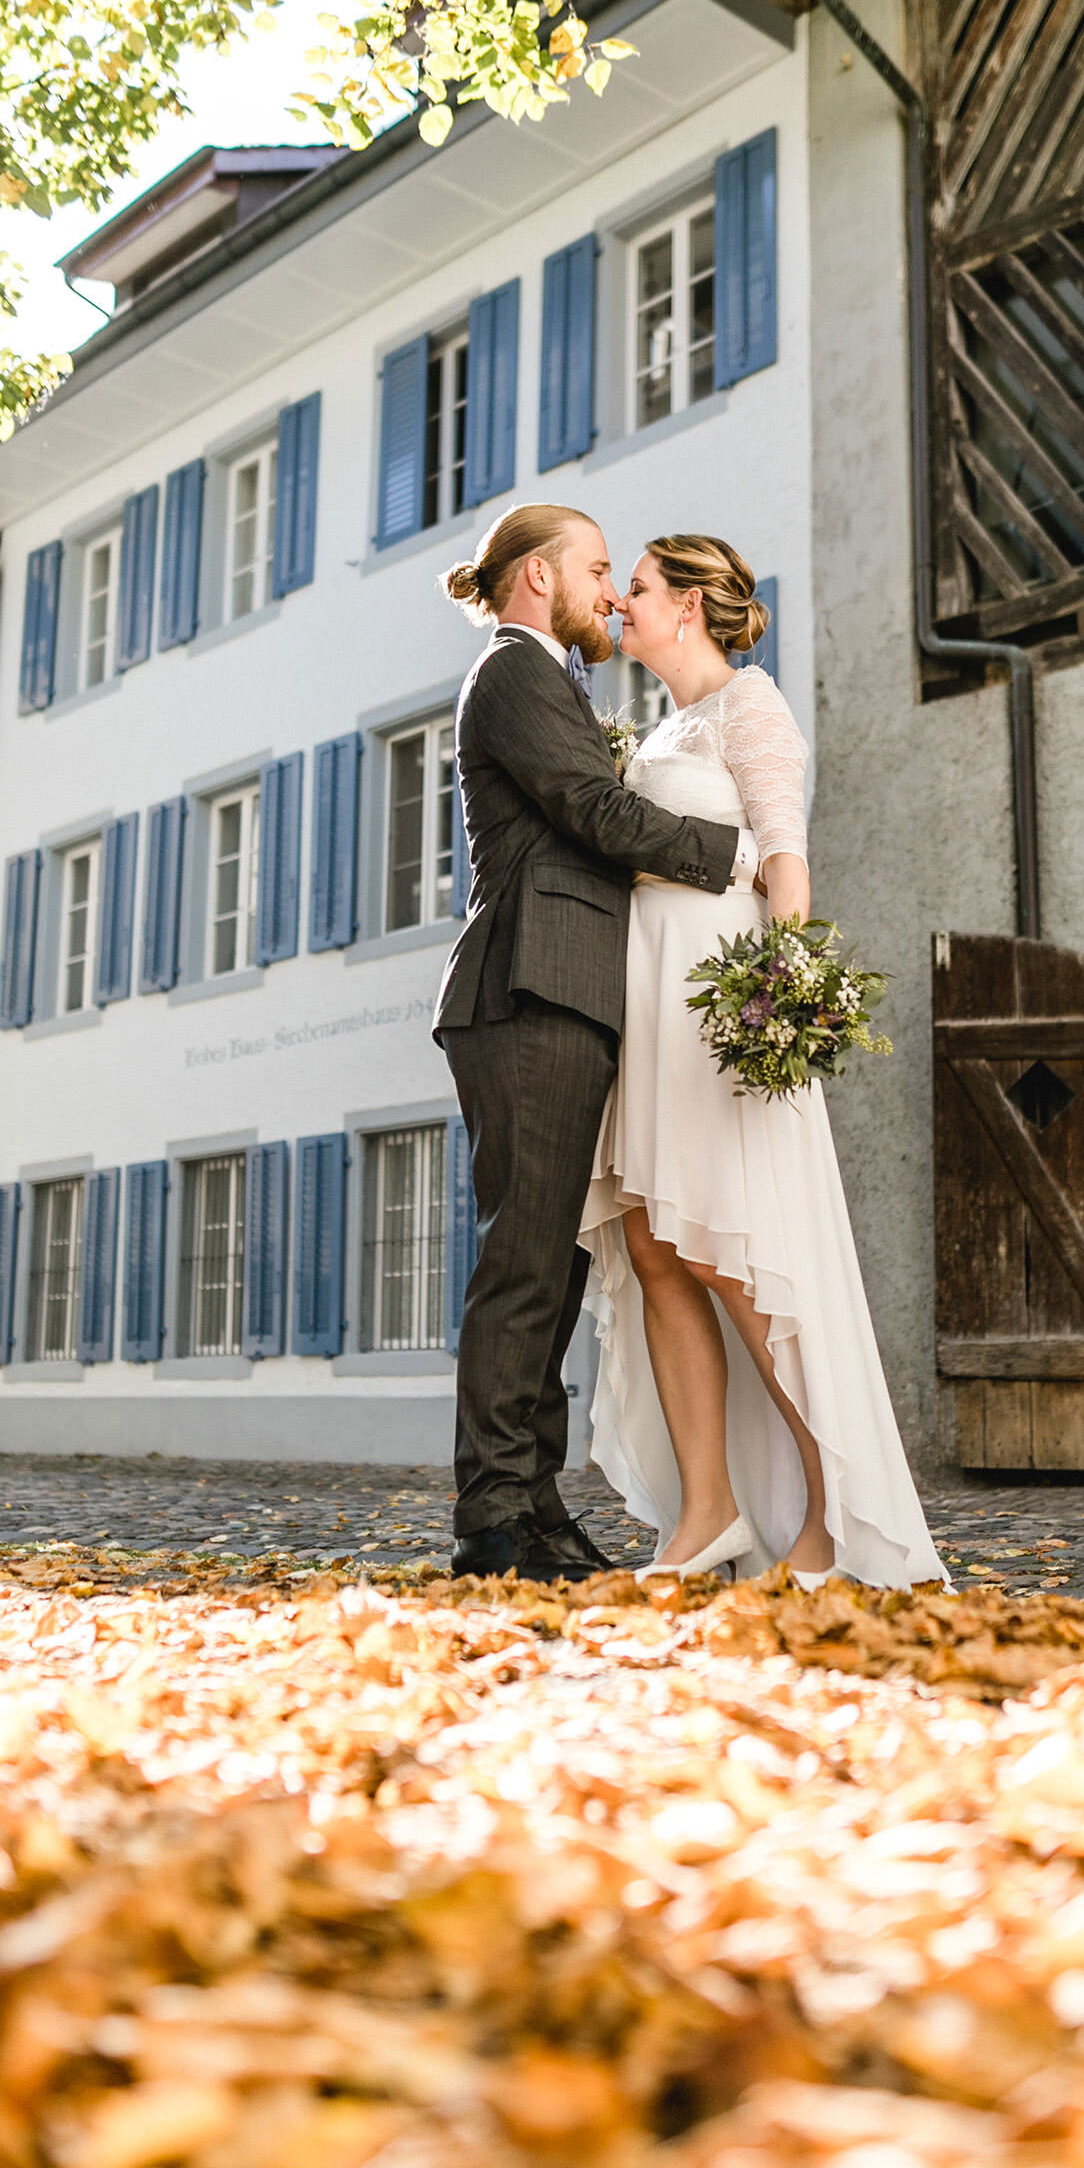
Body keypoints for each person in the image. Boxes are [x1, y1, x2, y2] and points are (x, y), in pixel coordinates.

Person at [580, 535, 946, 1588]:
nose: (619, 605)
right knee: (655, 1251)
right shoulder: (664, 727)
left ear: (688, 604)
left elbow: (787, 872)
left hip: (716, 1011)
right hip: (647, 1005)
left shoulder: (752, 710)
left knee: (733, 1259)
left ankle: (831, 1511)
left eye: (636, 590)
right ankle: (709, 1512)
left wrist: (774, 1008)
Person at [435, 504, 745, 1583]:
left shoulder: (544, 677)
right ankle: (492, 1522)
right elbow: (591, 812)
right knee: (524, 1266)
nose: (611, 592)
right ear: (535, 581)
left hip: (563, 994)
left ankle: (533, 1505)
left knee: (552, 1269)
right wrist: (735, 851)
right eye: (598, 569)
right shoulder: (513, 673)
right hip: (525, 990)